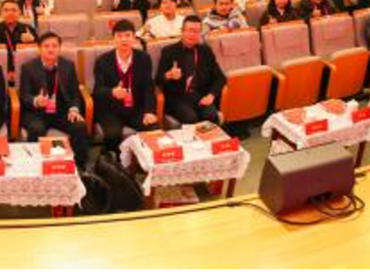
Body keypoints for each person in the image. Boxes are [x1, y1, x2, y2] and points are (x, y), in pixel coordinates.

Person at [18, 32, 90, 168]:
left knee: (79, 126)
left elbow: (75, 92)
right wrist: (36, 101)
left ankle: (79, 167)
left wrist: (74, 109)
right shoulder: (28, 68)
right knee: (36, 129)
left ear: (59, 48)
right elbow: (24, 95)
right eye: (46, 46)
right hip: (37, 113)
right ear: (39, 49)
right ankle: (35, 165)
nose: (50, 49)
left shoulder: (68, 66)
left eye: (54, 46)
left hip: (62, 111)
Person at [94, 20, 159, 150]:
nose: (124, 39)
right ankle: (113, 159)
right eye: (119, 36)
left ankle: (142, 159)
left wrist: (149, 111)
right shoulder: (102, 61)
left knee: (153, 129)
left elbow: (148, 88)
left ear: (134, 38)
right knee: (112, 135)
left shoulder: (144, 58)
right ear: (113, 39)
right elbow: (97, 91)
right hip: (111, 111)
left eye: (128, 35)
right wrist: (112, 92)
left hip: (136, 109)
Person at [157, 16, 225, 125]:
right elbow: (158, 80)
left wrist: (211, 95)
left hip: (200, 95)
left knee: (212, 116)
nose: (193, 35)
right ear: (182, 31)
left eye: (197, 32)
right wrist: (168, 75)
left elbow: (220, 77)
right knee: (191, 118)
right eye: (190, 31)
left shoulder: (205, 51)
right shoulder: (169, 51)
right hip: (177, 97)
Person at [0, 0, 37, 79]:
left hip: (24, 72)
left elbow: (38, 54)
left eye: (14, 10)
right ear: (1, 13)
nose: (10, 13)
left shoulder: (28, 29)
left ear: (20, 12)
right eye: (6, 10)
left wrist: (33, 41)